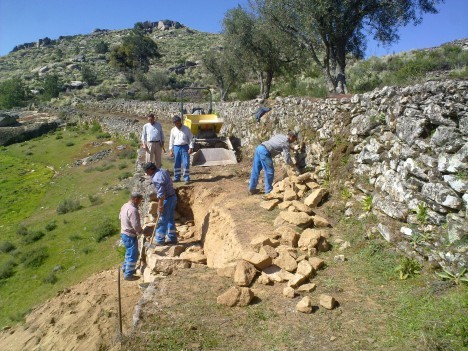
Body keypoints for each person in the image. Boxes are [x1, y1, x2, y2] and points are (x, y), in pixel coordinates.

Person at [143, 162, 178, 245]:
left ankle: (159, 240)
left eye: (146, 171)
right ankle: (172, 238)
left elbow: (161, 195)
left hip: (167, 199)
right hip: (173, 197)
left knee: (161, 219)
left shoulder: (157, 178)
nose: (146, 173)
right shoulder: (162, 171)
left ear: (151, 169)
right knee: (170, 218)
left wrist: (160, 205)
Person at [119, 192, 144, 281]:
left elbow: (120, 217)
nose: (140, 203)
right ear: (135, 199)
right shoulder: (133, 210)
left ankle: (125, 268)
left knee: (128, 252)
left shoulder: (124, 205)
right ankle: (128, 275)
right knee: (132, 255)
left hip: (124, 233)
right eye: (140, 200)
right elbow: (136, 225)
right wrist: (141, 231)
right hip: (130, 235)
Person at [169, 115, 194, 183]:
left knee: (186, 163)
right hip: (176, 147)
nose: (176, 124)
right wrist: (171, 150)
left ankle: (186, 178)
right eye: (175, 123)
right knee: (177, 163)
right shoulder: (173, 130)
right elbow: (171, 140)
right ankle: (177, 177)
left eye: (177, 123)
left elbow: (191, 139)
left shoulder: (186, 129)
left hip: (185, 147)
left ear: (180, 122)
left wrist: (191, 147)